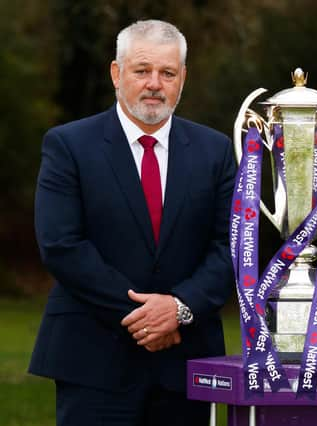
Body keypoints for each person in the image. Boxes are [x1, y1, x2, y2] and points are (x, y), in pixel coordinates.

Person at [29, 19, 236, 425]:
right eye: (142, 70)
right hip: (92, 361)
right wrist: (146, 316)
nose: (155, 83)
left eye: (167, 73)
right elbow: (61, 244)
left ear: (183, 78)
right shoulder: (68, 145)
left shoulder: (216, 150)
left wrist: (180, 308)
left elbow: (232, 247)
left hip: (187, 362)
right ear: (116, 73)